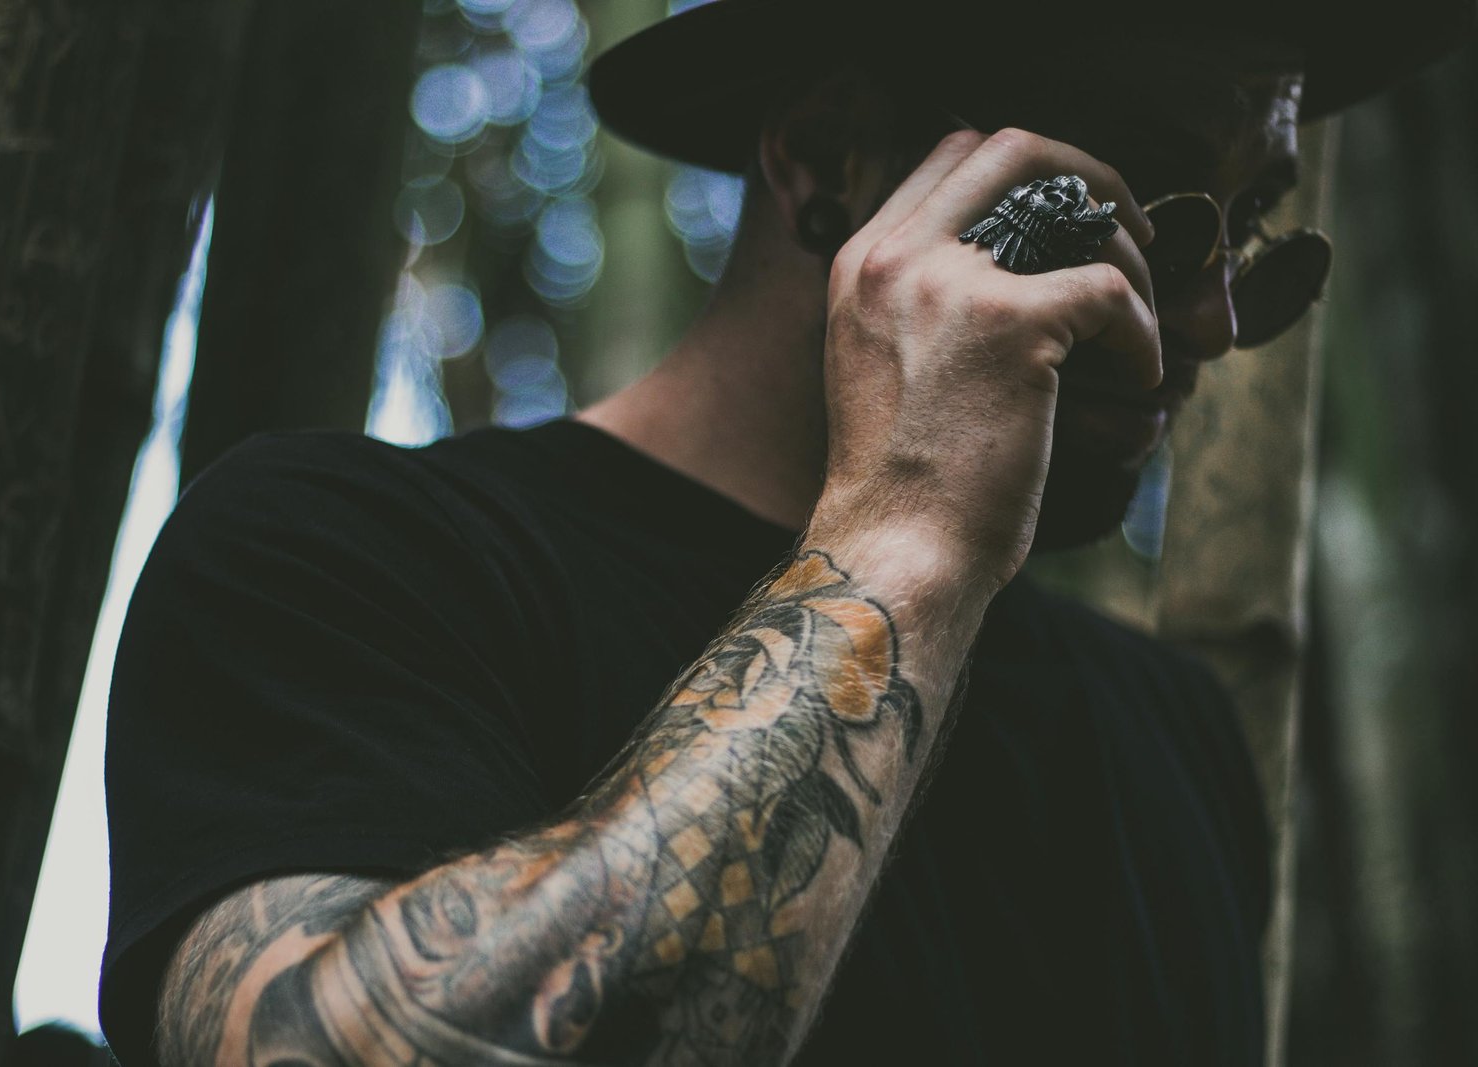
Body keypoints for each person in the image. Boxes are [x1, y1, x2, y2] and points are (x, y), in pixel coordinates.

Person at [97, 2, 1472, 1065]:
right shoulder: (350, 561)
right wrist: (906, 539)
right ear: (824, 162)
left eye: (1254, 234)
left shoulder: (1172, 733)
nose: (1221, 321)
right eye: (1158, 217)